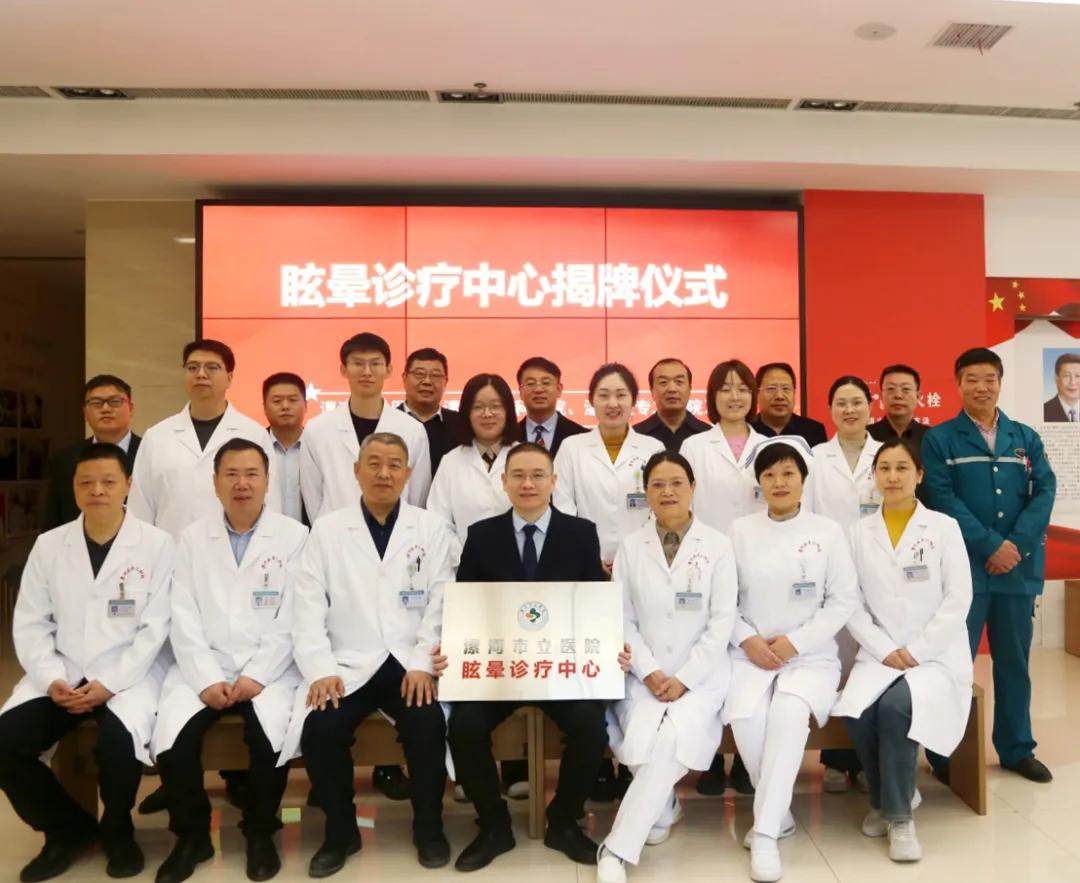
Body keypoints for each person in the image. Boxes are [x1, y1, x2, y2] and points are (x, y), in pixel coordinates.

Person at [448, 443, 627, 872]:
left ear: (553, 481)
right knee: (464, 726)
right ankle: (494, 825)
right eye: (519, 475)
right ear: (504, 481)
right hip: (502, 668)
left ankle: (563, 821)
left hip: (560, 665)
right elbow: (467, 606)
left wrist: (610, 646)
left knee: (590, 726)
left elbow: (592, 603)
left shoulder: (580, 533)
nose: (528, 484)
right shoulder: (481, 535)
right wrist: (451, 648)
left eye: (537, 475)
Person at [0, 444, 173, 882]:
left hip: (129, 674)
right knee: (5, 741)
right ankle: (66, 830)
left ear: (128, 486)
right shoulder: (49, 545)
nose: (97, 491)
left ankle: (118, 830)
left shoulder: (157, 545)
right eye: (86, 483)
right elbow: (31, 622)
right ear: (74, 488)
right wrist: (50, 678)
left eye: (108, 482)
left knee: (117, 744)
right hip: (62, 669)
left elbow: (156, 628)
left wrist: (111, 682)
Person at [283, 432, 453, 876]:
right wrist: (320, 669)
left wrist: (422, 663)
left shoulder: (431, 528)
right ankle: (341, 832)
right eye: (373, 463)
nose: (383, 473)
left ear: (408, 474)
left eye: (394, 465)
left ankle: (429, 828)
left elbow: (441, 600)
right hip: (348, 663)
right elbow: (307, 606)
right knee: (321, 730)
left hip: (408, 661)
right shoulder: (326, 530)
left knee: (427, 725)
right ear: (356, 471)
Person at [151, 439, 308, 883]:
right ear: (216, 482)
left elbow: (295, 614)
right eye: (231, 475)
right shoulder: (192, 538)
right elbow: (181, 612)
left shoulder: (294, 537)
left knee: (268, 738)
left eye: (252, 474)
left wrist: (257, 674)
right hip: (204, 664)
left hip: (271, 668)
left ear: (267, 481)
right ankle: (192, 837)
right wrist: (204, 677)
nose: (242, 484)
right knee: (174, 740)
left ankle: (260, 832)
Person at [597, 451, 737, 883]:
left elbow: (722, 622)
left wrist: (685, 678)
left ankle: (616, 849)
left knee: (670, 738)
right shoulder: (631, 547)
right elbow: (623, 618)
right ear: (645, 493)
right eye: (657, 484)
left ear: (693, 488)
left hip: (702, 677)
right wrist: (651, 672)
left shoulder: (718, 546)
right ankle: (663, 803)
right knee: (643, 738)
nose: (667, 491)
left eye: (677, 482)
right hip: (645, 674)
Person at [833, 438, 974, 864]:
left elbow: (958, 598)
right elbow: (850, 601)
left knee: (896, 708)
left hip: (935, 655)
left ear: (919, 475)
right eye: (884, 469)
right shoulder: (857, 533)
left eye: (901, 468)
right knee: (857, 712)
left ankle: (898, 818)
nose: (892, 477)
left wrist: (918, 649)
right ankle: (890, 796)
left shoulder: (944, 528)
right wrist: (884, 649)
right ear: (874, 477)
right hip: (880, 652)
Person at [725, 438, 857, 883]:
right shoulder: (739, 531)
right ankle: (778, 815)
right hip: (750, 654)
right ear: (759, 483)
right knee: (746, 717)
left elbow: (842, 600)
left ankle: (764, 833)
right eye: (769, 475)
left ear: (803, 479)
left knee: (788, 712)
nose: (779, 482)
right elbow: (723, 601)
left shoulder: (828, 532)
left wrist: (795, 643)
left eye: (788, 473)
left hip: (810, 656)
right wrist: (748, 640)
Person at [922, 347, 1056, 783]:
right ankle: (946, 753)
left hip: (1017, 570)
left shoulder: (1024, 437)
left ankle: (1017, 749)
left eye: (989, 379)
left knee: (1014, 664)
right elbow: (942, 499)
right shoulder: (940, 439)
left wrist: (1014, 545)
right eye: (972, 379)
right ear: (958, 384)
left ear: (1000, 383)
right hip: (965, 571)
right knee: (955, 664)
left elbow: (1045, 491)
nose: (981, 387)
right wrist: (989, 545)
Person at [681, 359, 765, 797]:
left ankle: (749, 761)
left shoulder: (769, 446)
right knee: (710, 657)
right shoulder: (695, 446)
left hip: (759, 564)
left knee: (749, 662)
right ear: (712, 397)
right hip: (706, 563)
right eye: (725, 388)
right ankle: (712, 759)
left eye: (743, 388)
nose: (735, 396)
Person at [807, 375, 881, 792]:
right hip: (829, 575)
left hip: (877, 573)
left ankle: (868, 759)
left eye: (857, 402)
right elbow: (808, 517)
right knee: (836, 666)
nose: (849, 410)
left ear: (871, 407)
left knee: (870, 665)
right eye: (841, 403)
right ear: (830, 410)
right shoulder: (816, 457)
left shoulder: (885, 455)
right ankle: (835, 757)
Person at [128, 339, 276, 538]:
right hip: (171, 551)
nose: (201, 374)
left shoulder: (254, 434)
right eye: (192, 367)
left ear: (230, 378)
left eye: (212, 367)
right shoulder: (157, 437)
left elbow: (271, 504)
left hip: (235, 551)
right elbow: (140, 509)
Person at [300, 332, 431, 519]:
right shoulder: (317, 429)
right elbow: (312, 497)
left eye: (375, 364)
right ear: (343, 370)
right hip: (335, 533)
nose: (367, 372)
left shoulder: (412, 430)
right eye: (358, 363)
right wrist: (327, 531)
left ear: (388, 370)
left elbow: (418, 497)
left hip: (397, 532)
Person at [553, 363, 665, 570]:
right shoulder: (571, 448)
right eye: (604, 396)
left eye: (621, 395)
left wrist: (639, 552)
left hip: (643, 560)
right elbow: (563, 507)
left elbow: (660, 507)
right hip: (585, 560)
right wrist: (588, 556)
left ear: (633, 400)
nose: (613, 403)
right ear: (591, 401)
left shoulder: (653, 449)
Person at [426, 373, 517, 561]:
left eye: (495, 406)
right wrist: (466, 559)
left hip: (520, 568)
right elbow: (438, 521)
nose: (487, 414)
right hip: (463, 567)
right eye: (478, 407)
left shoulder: (526, 457)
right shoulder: (451, 461)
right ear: (466, 413)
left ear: (508, 410)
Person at [44, 375, 141, 530]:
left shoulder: (151, 453)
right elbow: (54, 519)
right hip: (77, 543)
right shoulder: (64, 460)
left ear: (130, 408)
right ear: (84, 412)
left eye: (115, 401)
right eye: (96, 403)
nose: (106, 409)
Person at [397, 347, 464, 476]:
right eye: (419, 374)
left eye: (435, 376)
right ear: (404, 378)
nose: (427, 382)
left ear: (446, 381)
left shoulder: (461, 425)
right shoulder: (387, 422)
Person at [633, 358, 710, 452]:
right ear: (652, 391)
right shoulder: (635, 436)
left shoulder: (708, 435)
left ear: (690, 389)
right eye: (663, 382)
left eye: (679, 382)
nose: (672, 389)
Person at [515, 356, 588, 455]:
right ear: (521, 392)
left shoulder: (581, 436)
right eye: (531, 383)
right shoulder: (508, 437)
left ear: (559, 389)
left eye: (545, 383)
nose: (538, 389)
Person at [262, 371, 308, 524]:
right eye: (277, 401)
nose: (285, 406)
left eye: (293, 400)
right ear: (264, 408)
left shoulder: (319, 446)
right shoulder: (253, 448)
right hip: (265, 532)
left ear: (305, 405)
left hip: (313, 534)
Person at [750, 363, 827, 447]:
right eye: (771, 389)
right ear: (757, 393)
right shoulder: (747, 430)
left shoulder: (814, 430)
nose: (779, 396)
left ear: (794, 393)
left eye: (786, 389)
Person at [868, 364, 929, 448]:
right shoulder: (866, 436)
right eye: (891, 388)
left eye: (906, 389)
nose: (898, 395)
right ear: (881, 396)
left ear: (918, 396)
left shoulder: (930, 437)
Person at [1043, 352, 1080, 422]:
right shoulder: (1044, 411)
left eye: (1078, 376)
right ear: (1056, 379)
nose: (1072, 382)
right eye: (1066, 376)